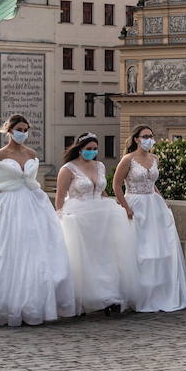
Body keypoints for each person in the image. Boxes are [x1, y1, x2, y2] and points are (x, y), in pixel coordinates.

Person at [0, 114, 76, 327]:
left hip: (32, 200)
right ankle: (4, 302)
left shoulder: (32, 154)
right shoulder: (0, 155)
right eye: (20, 129)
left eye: (26, 129)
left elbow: (32, 180)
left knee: (35, 248)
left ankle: (35, 301)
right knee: (6, 248)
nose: (23, 133)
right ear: (9, 130)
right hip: (9, 202)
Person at [56, 132, 138, 315]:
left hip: (100, 216)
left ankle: (109, 297)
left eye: (95, 149)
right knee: (83, 259)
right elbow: (60, 198)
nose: (92, 152)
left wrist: (113, 207)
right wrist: (61, 218)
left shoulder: (100, 166)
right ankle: (83, 298)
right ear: (79, 149)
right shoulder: (68, 169)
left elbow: (102, 191)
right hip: (78, 214)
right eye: (88, 149)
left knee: (105, 258)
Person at [113, 126, 186, 313]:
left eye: (151, 136)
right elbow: (116, 185)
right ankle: (139, 294)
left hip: (154, 204)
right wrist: (126, 207)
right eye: (145, 136)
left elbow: (153, 184)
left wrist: (163, 203)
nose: (149, 139)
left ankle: (160, 293)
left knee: (160, 248)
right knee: (140, 250)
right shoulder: (128, 160)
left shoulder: (154, 158)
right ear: (136, 139)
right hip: (136, 204)